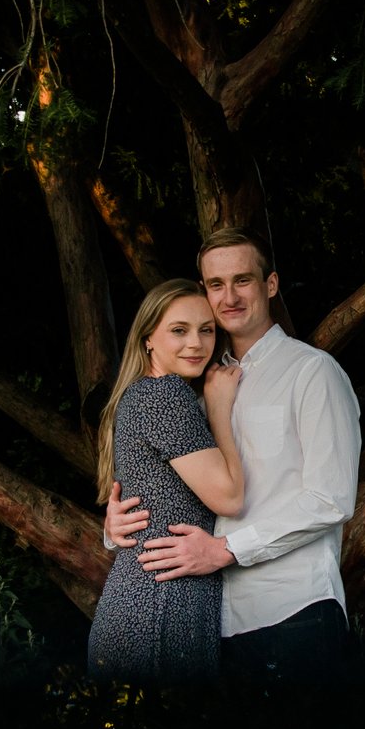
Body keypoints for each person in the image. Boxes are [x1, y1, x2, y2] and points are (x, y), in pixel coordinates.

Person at [103, 228, 363, 680]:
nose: (230, 296)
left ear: (271, 284)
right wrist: (116, 527)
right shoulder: (200, 385)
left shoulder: (311, 372)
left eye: (242, 280)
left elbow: (331, 498)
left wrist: (226, 550)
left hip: (291, 608)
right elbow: (170, 487)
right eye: (216, 284)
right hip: (211, 623)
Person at [85, 279, 248, 683]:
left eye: (206, 330)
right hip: (160, 606)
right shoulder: (164, 396)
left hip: (146, 600)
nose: (196, 343)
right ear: (148, 340)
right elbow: (228, 498)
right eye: (179, 330)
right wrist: (221, 409)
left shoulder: (140, 396)